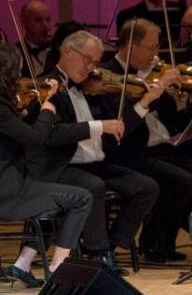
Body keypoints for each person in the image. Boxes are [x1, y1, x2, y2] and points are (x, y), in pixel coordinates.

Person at [29, 30, 159, 275]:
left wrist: (145, 102)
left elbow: (116, 128)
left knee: (146, 187)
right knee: (94, 185)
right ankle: (99, 255)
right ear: (68, 52)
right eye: (86, 59)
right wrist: (100, 126)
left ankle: (109, 245)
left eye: (95, 62)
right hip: (62, 166)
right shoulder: (47, 86)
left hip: (97, 163)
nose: (90, 67)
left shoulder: (92, 88)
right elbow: (53, 133)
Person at [105, 18, 192, 262]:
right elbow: (120, 124)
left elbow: (176, 122)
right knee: (181, 181)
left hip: (164, 149)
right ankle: (157, 243)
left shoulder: (155, 74)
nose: (156, 55)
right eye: (152, 48)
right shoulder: (110, 75)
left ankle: (184, 233)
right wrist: (154, 90)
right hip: (131, 154)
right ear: (131, 47)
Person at [0, 43, 93, 286]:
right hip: (8, 192)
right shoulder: (1, 108)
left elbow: (14, 131)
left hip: (13, 183)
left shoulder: (5, 106)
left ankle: (22, 263)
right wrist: (48, 108)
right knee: (82, 198)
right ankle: (58, 269)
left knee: (56, 197)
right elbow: (36, 139)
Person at [18, 0, 54, 77]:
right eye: (38, 20)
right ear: (24, 22)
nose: (45, 25)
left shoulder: (57, 50)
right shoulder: (16, 52)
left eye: (47, 20)